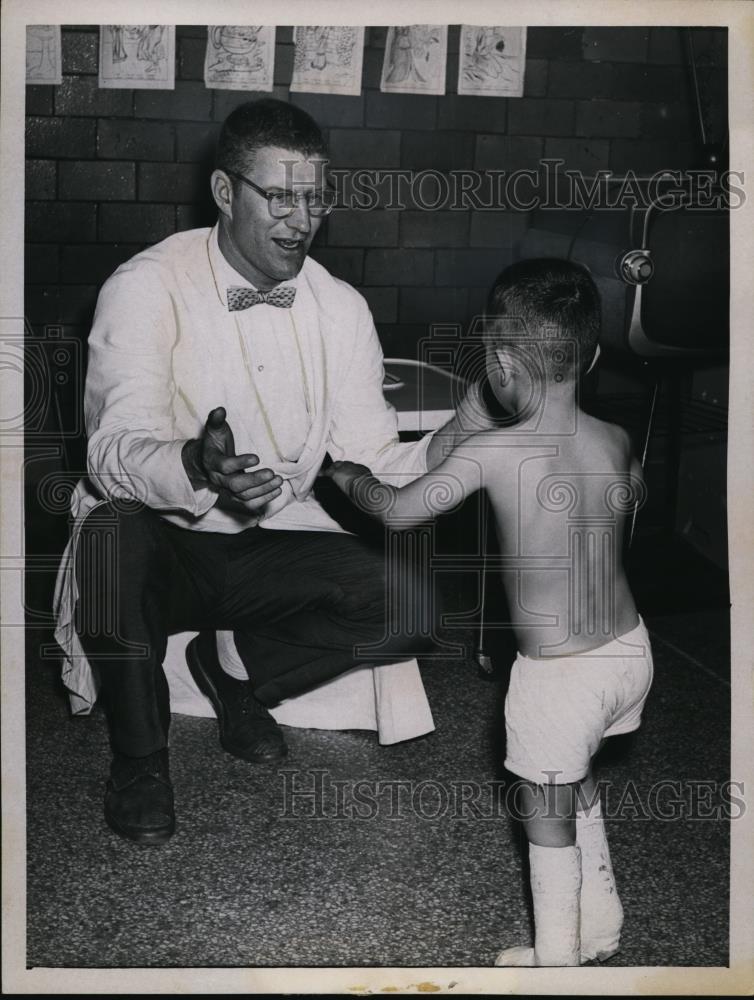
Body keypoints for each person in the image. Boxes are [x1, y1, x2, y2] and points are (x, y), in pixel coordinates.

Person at [53, 98, 492, 846]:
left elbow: (378, 461)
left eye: (316, 198)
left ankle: (234, 675)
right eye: (280, 197)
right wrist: (192, 463)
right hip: (161, 537)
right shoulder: (145, 285)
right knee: (111, 535)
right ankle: (138, 760)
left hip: (269, 540)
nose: (302, 219)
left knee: (413, 606)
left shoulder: (340, 307)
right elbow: (111, 448)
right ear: (226, 193)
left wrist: (471, 428)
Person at [324, 258, 654, 966]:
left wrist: (350, 476)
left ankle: (557, 964)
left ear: (501, 363)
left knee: (543, 808)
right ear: (591, 356)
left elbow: (401, 514)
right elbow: (622, 515)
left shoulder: (495, 452)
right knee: (576, 774)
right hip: (629, 652)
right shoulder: (616, 439)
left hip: (558, 676)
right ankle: (602, 923)